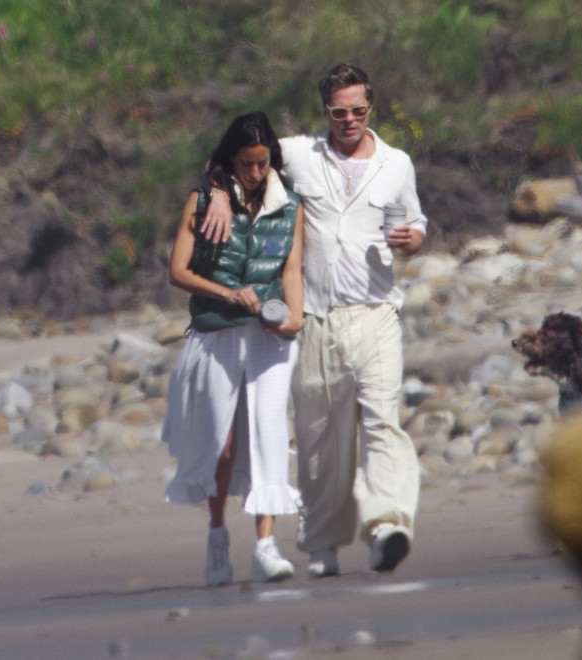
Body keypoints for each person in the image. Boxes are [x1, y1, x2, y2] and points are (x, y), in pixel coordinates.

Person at [203, 64, 426, 577]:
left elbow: (415, 221)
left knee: (382, 420)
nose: (349, 120)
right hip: (316, 318)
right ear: (325, 110)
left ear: (372, 107)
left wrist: (414, 238)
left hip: (375, 312)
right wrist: (217, 190)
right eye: (339, 111)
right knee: (319, 435)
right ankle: (323, 544)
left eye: (359, 110)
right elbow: (237, 155)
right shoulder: (299, 154)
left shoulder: (397, 163)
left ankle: (388, 526)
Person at [161, 111, 305, 586]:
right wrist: (227, 294)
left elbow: (290, 269)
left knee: (268, 434)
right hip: (217, 331)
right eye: (246, 163)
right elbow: (178, 272)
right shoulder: (204, 201)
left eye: (263, 163)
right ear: (230, 160)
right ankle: (218, 536)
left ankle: (266, 546)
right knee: (221, 445)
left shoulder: (290, 205)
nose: (256, 172)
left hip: (268, 336)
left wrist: (295, 315)